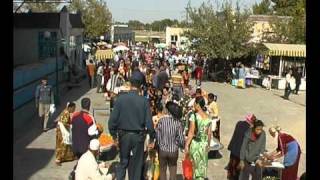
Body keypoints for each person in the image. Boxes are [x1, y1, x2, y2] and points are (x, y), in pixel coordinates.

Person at [108, 72, 155, 180]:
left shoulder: (120, 99)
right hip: (138, 137)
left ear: (129, 84)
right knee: (136, 166)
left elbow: (112, 121)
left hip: (123, 136)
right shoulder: (144, 101)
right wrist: (152, 138)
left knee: (123, 162)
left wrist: (114, 136)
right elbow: (149, 123)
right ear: (141, 86)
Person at [184, 96, 212, 180]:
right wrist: (209, 145)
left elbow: (191, 133)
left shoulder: (194, 116)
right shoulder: (208, 117)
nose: (194, 105)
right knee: (201, 167)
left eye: (195, 103)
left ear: (198, 105)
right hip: (204, 145)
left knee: (193, 167)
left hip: (195, 145)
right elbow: (209, 134)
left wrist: (186, 145)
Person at [156, 101, 185, 180]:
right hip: (173, 151)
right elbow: (181, 139)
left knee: (162, 170)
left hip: (162, 150)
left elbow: (158, 137)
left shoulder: (161, 121)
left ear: (168, 110)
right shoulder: (178, 123)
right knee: (173, 169)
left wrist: (159, 145)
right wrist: (181, 145)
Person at [226, 114, 256, 180]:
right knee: (239, 171)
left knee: (232, 167)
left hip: (234, 149)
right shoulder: (250, 130)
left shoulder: (239, 123)